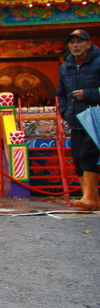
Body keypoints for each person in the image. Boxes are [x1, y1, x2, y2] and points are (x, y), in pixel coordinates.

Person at [57, 29, 100, 211]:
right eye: (72, 42)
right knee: (77, 158)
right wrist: (64, 112)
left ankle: (89, 198)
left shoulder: (98, 62)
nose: (75, 46)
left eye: (79, 42)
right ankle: (90, 198)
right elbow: (61, 93)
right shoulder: (65, 67)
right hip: (75, 119)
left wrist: (88, 94)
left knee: (87, 156)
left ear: (88, 44)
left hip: (95, 116)